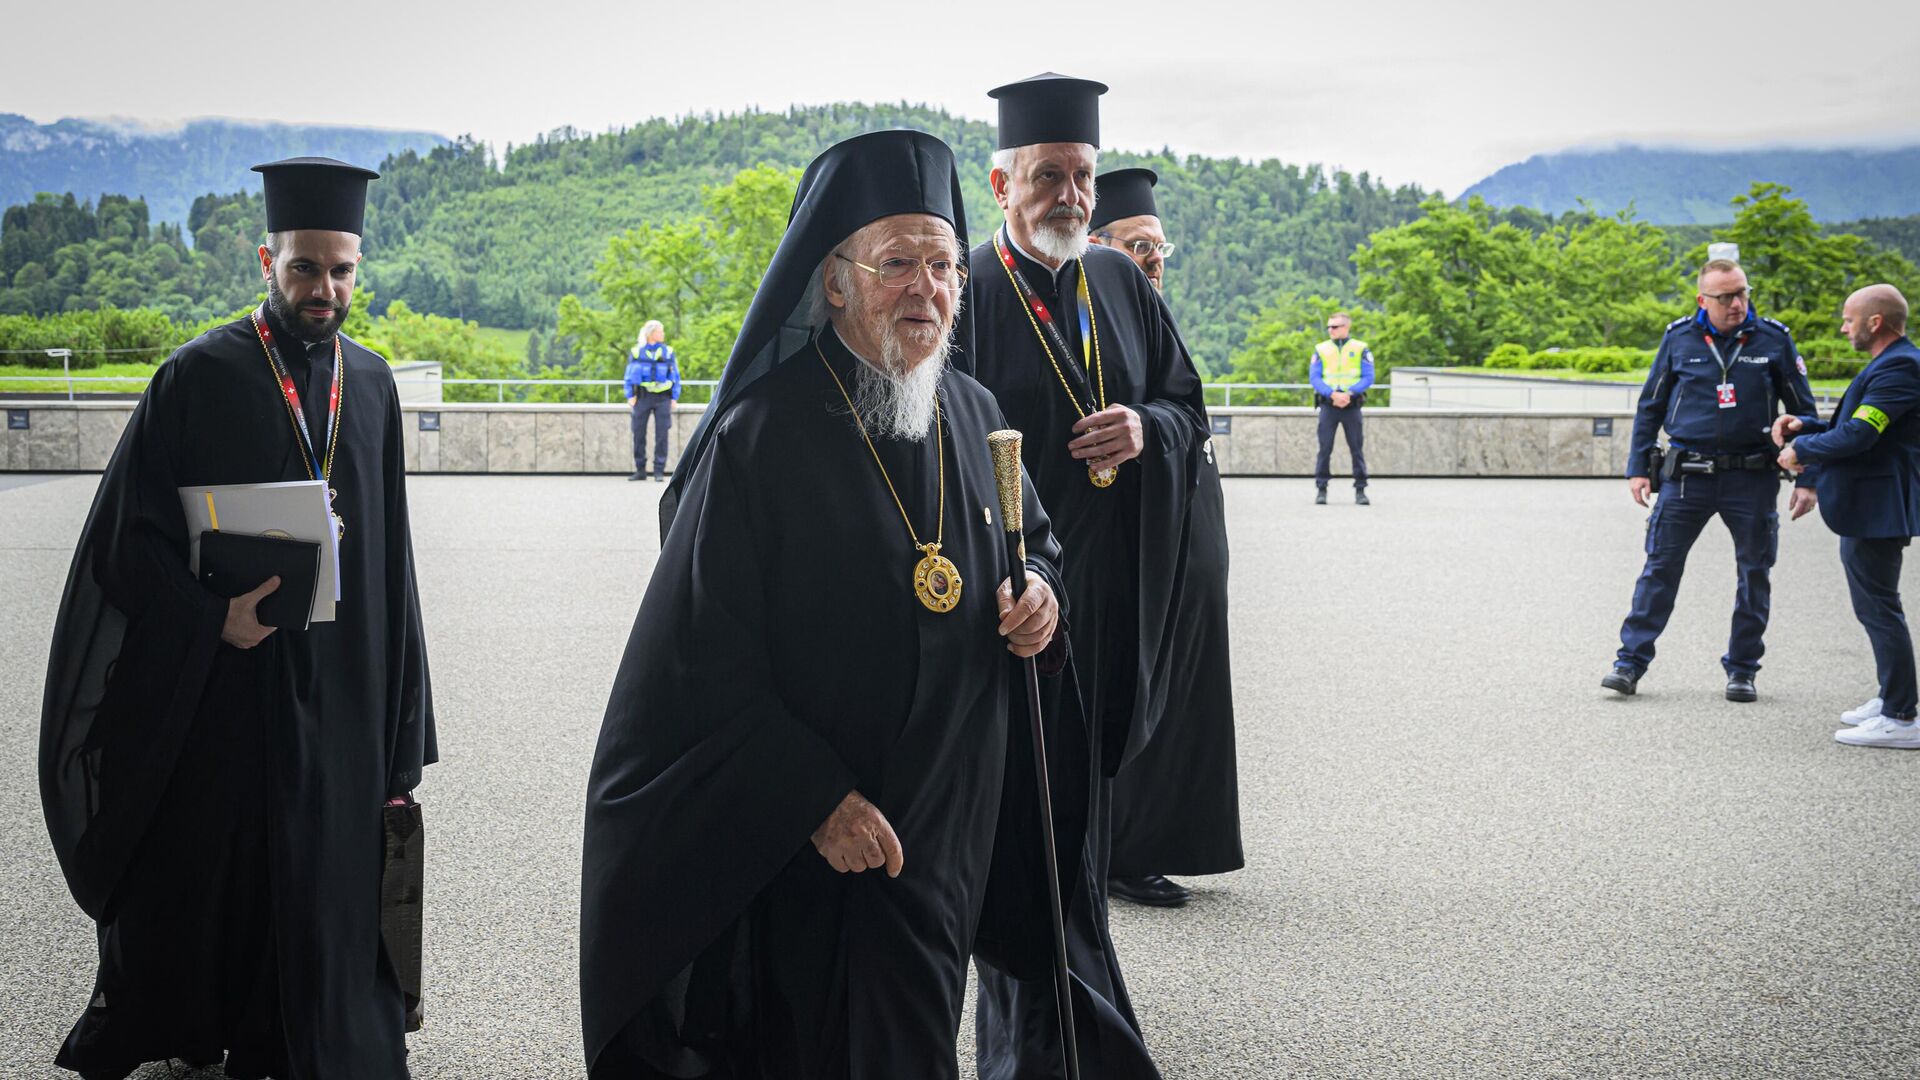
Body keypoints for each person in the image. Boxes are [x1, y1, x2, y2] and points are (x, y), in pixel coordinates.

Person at [580, 129, 1072, 1079]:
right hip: (821, 851)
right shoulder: (760, 439)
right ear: (836, 281)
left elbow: (1035, 545)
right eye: (897, 263)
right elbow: (693, 664)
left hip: (946, 841)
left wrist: (1044, 597)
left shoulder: (970, 412)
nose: (925, 288)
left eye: (941, 265)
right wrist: (812, 798)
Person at [38, 157, 436, 1079]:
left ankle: (315, 1026)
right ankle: (205, 1022)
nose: (324, 289)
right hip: (227, 684)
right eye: (305, 267)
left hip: (344, 687)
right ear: (266, 259)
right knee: (228, 862)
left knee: (332, 866)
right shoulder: (197, 376)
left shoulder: (370, 385)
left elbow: (391, 559)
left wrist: (404, 715)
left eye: (342, 270)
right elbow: (123, 545)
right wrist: (209, 618)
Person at [965, 71, 1209, 1080]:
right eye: (1049, 176)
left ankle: (1057, 1036)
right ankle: (1060, 1046)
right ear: (1001, 181)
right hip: (1015, 614)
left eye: (1083, 176)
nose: (1070, 195)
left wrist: (1144, 430)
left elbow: (1189, 409)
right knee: (1030, 840)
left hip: (1111, 604)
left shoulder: (1118, 281)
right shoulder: (964, 292)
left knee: (1078, 832)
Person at [1088, 166, 1243, 910]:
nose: (1152, 262)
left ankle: (1174, 837)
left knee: (1184, 692)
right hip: (1131, 539)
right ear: (1098, 246)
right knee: (1134, 685)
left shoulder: (1147, 308)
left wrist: (1153, 427)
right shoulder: (1085, 315)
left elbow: (1186, 409)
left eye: (1158, 248)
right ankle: (1125, 848)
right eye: (1137, 246)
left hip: (1183, 528)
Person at [1604, 258, 1818, 702]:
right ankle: (1630, 664)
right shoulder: (1679, 337)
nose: (1738, 303)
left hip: (1753, 475)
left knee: (1754, 573)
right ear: (1703, 300)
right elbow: (1651, 406)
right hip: (1688, 476)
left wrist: (1807, 477)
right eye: (1725, 297)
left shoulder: (1774, 339)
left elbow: (1805, 414)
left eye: (1743, 292)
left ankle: (1742, 670)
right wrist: (1638, 467)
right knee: (1660, 568)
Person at [1775, 284, 1920, 748]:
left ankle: (1901, 716)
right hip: (1868, 508)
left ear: (1874, 322)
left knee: (1879, 608)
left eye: (1848, 319)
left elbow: (1860, 435)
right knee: (1874, 606)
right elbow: (1852, 425)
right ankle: (1892, 696)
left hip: (1878, 508)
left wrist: (1801, 449)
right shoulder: (1890, 364)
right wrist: (1807, 425)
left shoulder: (1900, 367)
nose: (1842, 327)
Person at [1311, 312, 1374, 505]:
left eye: (1335, 327)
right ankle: (1321, 489)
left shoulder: (1361, 348)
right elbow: (1314, 377)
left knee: (1356, 448)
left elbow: (1368, 376)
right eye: (1329, 327)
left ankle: (1360, 489)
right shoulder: (1321, 349)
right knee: (1325, 448)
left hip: (1351, 405)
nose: (1330, 330)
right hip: (1329, 405)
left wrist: (1349, 393)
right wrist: (1332, 394)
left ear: (1346, 328)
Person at [624, 320, 680, 481]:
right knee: (638, 433)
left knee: (662, 434)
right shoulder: (636, 352)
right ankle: (640, 470)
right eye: (660, 331)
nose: (663, 334)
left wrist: (674, 397)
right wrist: (630, 395)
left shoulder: (668, 351)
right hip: (642, 397)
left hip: (663, 398)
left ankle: (658, 471)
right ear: (651, 333)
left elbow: (675, 375)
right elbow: (628, 376)